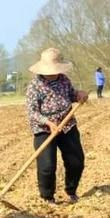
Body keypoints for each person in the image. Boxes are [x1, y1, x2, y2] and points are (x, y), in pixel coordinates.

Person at [24, 48, 90, 204]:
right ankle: (48, 197)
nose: (53, 73)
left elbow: (71, 95)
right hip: (44, 129)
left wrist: (80, 94)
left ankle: (71, 191)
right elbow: (31, 111)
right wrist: (48, 123)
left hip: (67, 125)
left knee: (76, 161)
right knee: (47, 166)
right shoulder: (35, 86)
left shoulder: (64, 80)